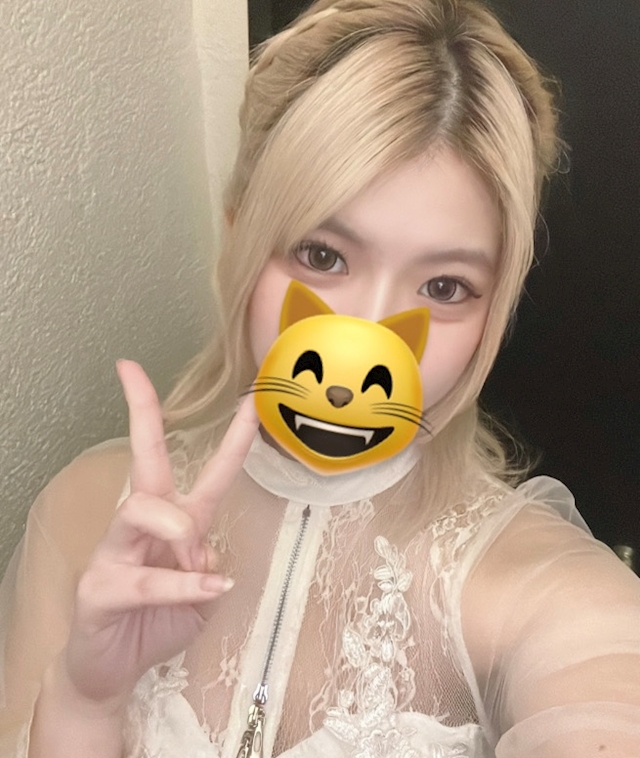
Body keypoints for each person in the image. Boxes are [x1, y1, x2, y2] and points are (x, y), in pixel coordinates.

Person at [2, 0, 640, 755]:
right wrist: (84, 700)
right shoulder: (84, 514)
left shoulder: (542, 588)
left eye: (444, 287)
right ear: (240, 240)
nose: (363, 345)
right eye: (322, 256)